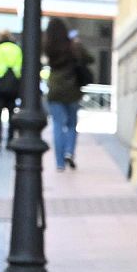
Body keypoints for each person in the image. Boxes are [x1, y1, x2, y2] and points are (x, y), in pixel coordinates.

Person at [43, 17, 91, 171]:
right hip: (72, 90)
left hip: (55, 90)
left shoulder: (48, 46)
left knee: (57, 125)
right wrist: (77, 45)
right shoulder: (73, 45)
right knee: (71, 124)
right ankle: (69, 151)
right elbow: (90, 59)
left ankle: (59, 163)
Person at [0, 30, 20, 150]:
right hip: (13, 85)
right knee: (11, 114)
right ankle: (10, 140)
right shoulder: (16, 49)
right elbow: (20, 68)